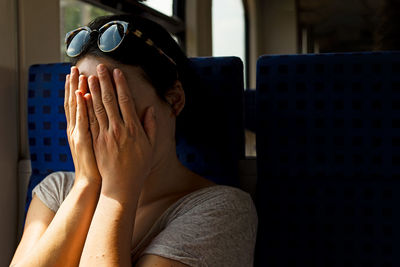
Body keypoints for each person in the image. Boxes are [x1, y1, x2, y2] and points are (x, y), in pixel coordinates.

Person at [10, 14, 257, 267]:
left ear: (174, 100)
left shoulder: (221, 210)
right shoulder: (57, 190)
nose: (96, 121)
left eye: (111, 100)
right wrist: (86, 183)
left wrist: (116, 190)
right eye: (85, 103)